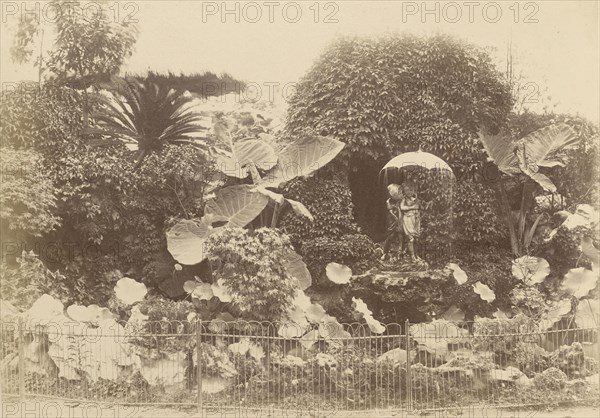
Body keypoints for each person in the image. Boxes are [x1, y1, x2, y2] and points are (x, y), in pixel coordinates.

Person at [381, 184, 405, 261]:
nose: (402, 194)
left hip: (400, 220)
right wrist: (396, 219)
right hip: (392, 221)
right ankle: (385, 253)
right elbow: (391, 213)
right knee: (390, 236)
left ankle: (399, 253)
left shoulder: (401, 201)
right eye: (400, 193)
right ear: (394, 194)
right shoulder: (389, 202)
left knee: (400, 236)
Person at [400, 184, 422, 262]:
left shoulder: (415, 199)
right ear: (404, 192)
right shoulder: (404, 200)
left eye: (411, 190)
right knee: (410, 238)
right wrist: (412, 207)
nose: (409, 192)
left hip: (416, 219)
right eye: (407, 190)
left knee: (416, 237)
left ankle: (416, 255)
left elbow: (419, 207)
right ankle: (412, 256)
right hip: (408, 219)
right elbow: (402, 208)